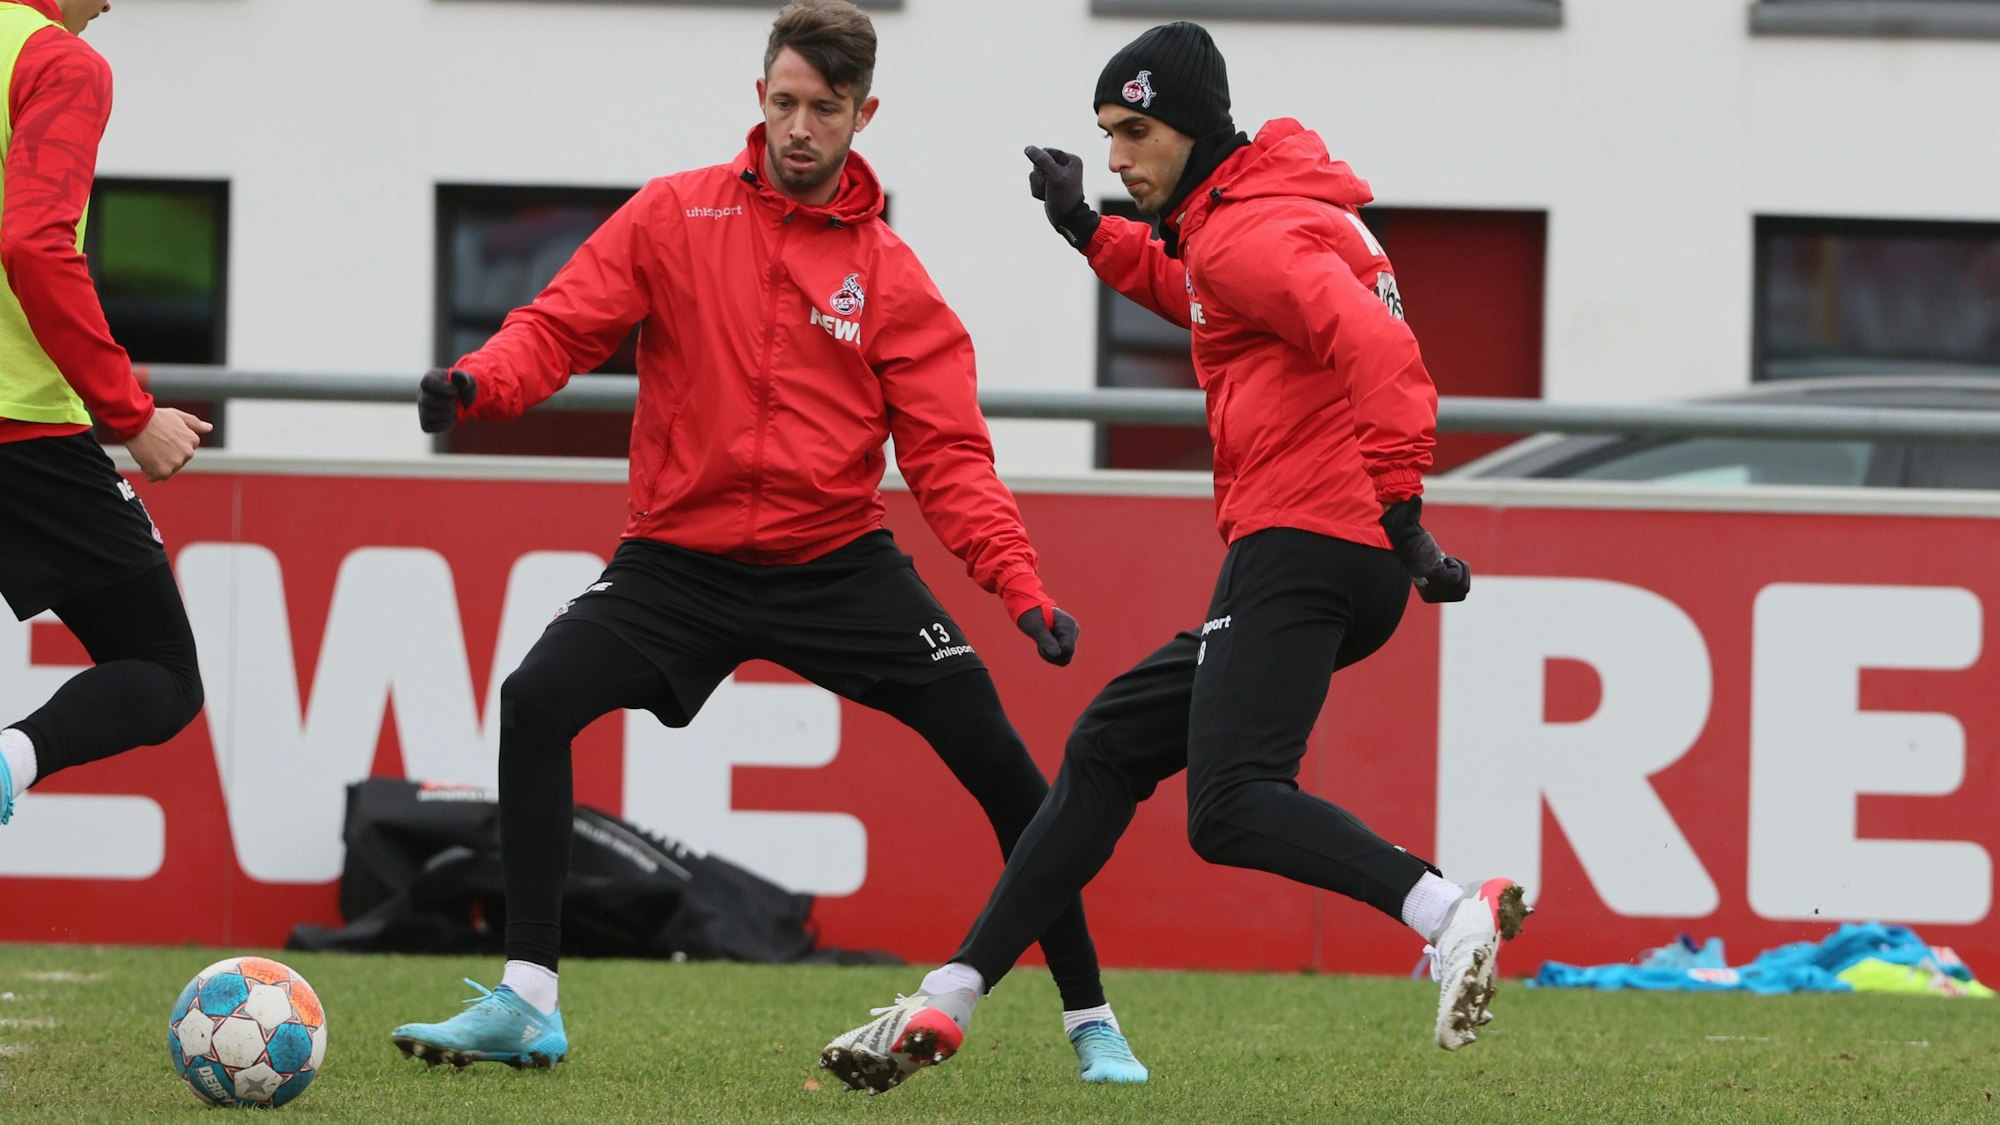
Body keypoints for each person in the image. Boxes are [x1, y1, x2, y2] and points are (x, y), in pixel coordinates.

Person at [388, 0, 1147, 1085]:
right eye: (784, 102)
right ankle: (528, 1001)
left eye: (824, 109)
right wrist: (477, 383)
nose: (799, 127)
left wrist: (1018, 588)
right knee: (535, 697)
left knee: (1006, 766)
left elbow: (948, 458)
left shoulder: (892, 276)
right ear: (759, 96)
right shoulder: (672, 215)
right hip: (676, 561)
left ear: (862, 115)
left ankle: (1091, 1021)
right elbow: (558, 326)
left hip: (836, 562)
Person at [820, 21, 1528, 1092]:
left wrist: (1402, 506)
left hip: (1306, 538)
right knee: (1110, 742)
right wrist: (1085, 229)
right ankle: (949, 993)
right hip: (1342, 549)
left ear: (1192, 127)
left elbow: (1377, 347)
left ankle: (1446, 912)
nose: (1115, 157)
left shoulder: (1245, 233)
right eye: (1106, 133)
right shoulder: (1263, 210)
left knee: (1232, 803)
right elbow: (1206, 295)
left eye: (1134, 132)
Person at [0, 0, 210, 829]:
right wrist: (130, 413)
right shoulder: (56, 60)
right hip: (21, 431)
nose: (115, 2)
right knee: (161, 669)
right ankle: (11, 760)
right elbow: (33, 243)